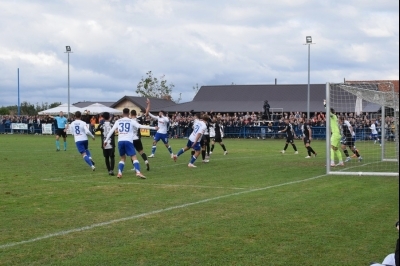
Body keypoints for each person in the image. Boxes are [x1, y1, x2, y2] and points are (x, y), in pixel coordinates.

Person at [104, 108, 157, 179]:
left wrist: (106, 140)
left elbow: (111, 131)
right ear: (129, 114)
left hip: (120, 141)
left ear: (122, 114)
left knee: (122, 158)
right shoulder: (131, 121)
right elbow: (140, 126)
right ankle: (138, 172)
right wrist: (154, 128)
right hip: (128, 141)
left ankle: (119, 173)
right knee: (134, 156)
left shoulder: (118, 121)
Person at [95, 112, 116, 176]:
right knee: (112, 157)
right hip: (111, 143)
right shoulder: (112, 124)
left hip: (104, 143)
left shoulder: (101, 125)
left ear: (103, 117)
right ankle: (111, 170)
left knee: (106, 157)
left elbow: (94, 130)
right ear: (109, 116)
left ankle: (109, 170)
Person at [324, 100, 344, 166]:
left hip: (335, 134)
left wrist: (325, 104)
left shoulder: (333, 116)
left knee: (331, 148)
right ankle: (341, 161)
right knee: (336, 149)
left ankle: (332, 162)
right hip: (338, 134)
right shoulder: (335, 117)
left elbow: (328, 112)